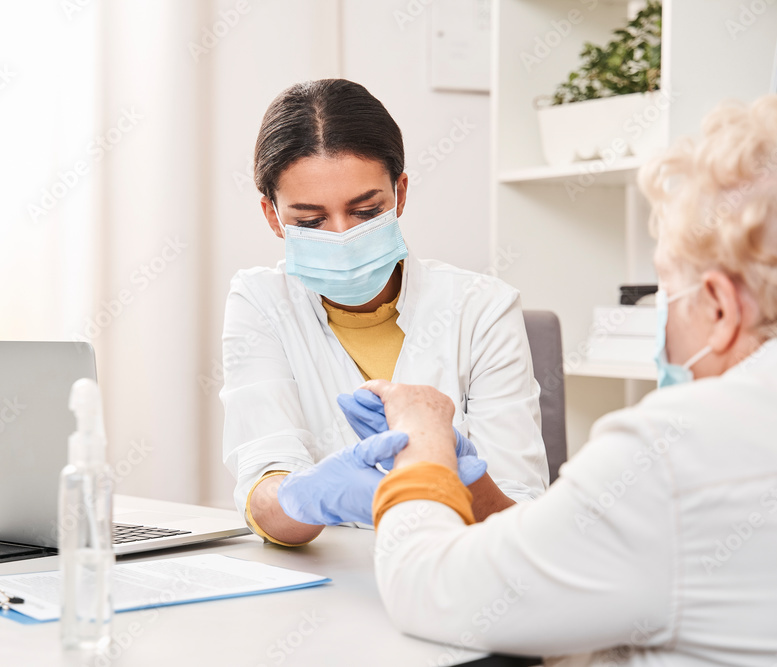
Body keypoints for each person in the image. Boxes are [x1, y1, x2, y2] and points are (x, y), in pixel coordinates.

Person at [358, 94, 777, 663]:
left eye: (666, 290)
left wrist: (421, 448)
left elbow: (429, 590)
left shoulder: (672, 453)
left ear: (718, 305)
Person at [220, 79, 549, 547]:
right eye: (310, 221)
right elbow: (263, 486)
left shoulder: (482, 308)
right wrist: (305, 496)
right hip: (332, 576)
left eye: (366, 211)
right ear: (273, 216)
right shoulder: (261, 301)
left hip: (454, 565)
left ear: (400, 192)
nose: (342, 236)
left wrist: (460, 475)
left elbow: (521, 521)